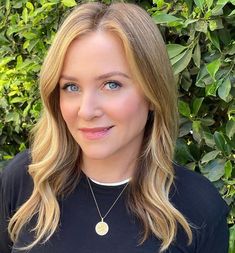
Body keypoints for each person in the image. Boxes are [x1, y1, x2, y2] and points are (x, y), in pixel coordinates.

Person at [0, 2, 229, 253]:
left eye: (111, 84)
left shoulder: (199, 208)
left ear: (152, 94)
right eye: (71, 87)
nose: (86, 111)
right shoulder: (26, 181)